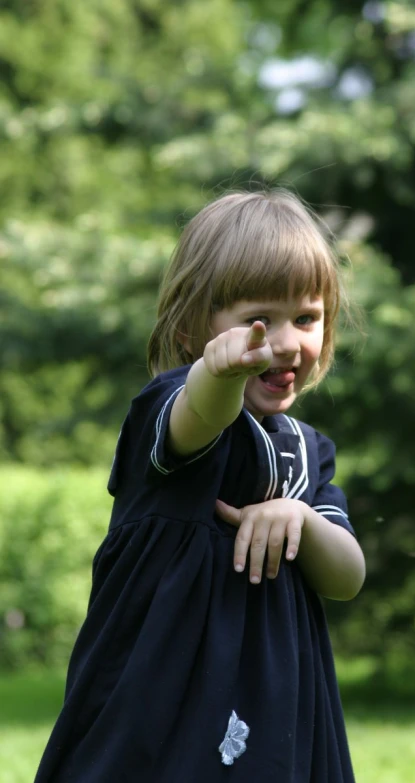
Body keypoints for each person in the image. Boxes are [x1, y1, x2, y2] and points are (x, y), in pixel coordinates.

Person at [34, 189, 366, 782]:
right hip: (164, 690)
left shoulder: (307, 450)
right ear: (192, 331)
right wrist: (219, 373)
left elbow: (346, 577)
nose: (287, 342)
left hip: (278, 695)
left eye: (307, 318)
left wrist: (300, 518)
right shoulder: (176, 406)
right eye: (259, 320)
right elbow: (202, 419)